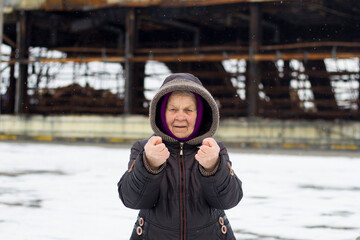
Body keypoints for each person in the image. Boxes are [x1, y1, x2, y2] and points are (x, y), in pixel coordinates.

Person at [118, 73, 243, 240]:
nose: (180, 117)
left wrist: (213, 167)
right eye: (173, 109)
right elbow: (132, 200)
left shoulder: (214, 149)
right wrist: (149, 165)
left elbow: (228, 201)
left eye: (188, 110)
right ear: (161, 112)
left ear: (200, 114)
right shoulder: (144, 148)